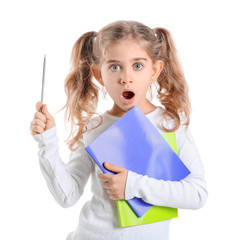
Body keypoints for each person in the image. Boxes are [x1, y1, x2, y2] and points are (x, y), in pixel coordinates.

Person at [30, 20, 208, 240]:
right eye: (114, 67)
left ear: (155, 70)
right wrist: (46, 141)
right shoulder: (93, 128)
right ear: (98, 74)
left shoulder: (170, 124)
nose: (126, 77)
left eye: (138, 65)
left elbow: (197, 194)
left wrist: (133, 185)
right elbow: (68, 196)